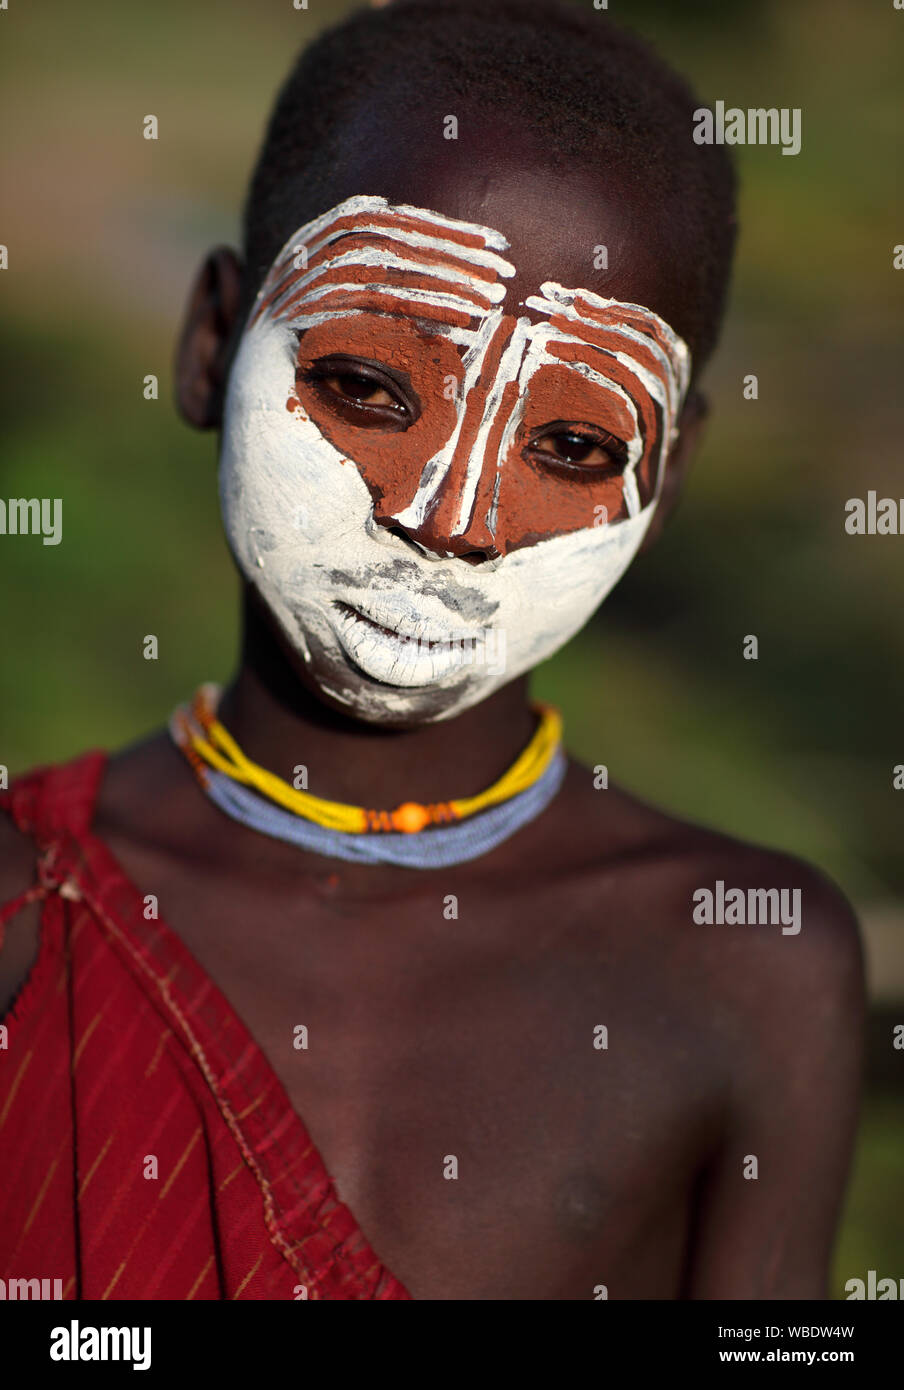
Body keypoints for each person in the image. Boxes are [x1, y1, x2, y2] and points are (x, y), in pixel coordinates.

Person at [0, 0, 864, 1300]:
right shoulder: (25, 904)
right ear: (211, 341)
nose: (448, 517)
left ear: (667, 476)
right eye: (369, 386)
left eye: (570, 447)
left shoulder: (748, 956)